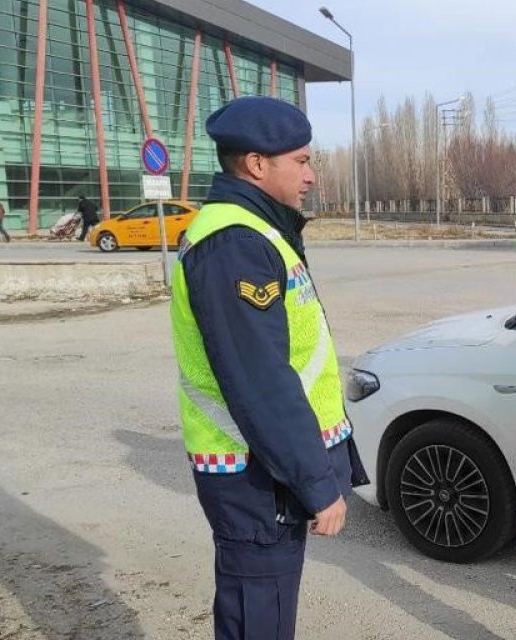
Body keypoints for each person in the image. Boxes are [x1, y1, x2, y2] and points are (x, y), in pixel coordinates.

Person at [168, 96, 369, 640]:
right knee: (260, 616)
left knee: (265, 611)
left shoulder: (259, 231)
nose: (311, 174)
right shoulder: (235, 243)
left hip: (266, 467)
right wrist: (315, 481)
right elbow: (260, 380)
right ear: (258, 164)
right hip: (254, 472)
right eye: (301, 161)